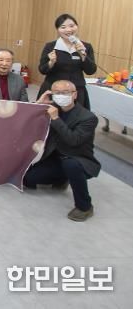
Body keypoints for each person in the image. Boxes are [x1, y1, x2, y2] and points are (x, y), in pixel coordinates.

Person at [24, 80, 100, 222]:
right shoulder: (51, 108)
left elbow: (73, 140)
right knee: (28, 179)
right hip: (55, 157)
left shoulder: (88, 117)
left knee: (71, 165)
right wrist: (38, 104)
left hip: (78, 159)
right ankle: (62, 178)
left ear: (74, 95)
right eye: (57, 93)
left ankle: (85, 207)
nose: (60, 96)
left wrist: (55, 119)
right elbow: (26, 120)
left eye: (65, 93)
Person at [37, 14, 97, 110]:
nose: (68, 30)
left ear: (77, 27)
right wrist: (51, 62)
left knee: (75, 117)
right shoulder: (51, 46)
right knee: (50, 116)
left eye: (72, 26)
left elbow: (91, 71)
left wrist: (83, 56)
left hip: (76, 91)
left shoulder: (86, 46)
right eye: (63, 27)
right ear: (58, 30)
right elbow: (42, 70)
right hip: (54, 89)